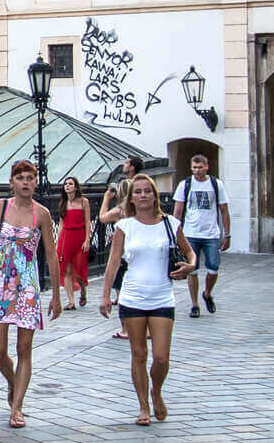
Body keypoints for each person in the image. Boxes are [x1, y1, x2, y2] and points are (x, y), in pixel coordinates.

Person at [100, 173, 195, 425]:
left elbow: (189, 252)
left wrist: (190, 266)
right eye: (138, 192)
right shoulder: (125, 226)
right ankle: (143, 406)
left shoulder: (171, 224)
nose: (143, 196)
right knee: (139, 353)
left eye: (147, 191)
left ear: (155, 195)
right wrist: (106, 295)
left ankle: (156, 390)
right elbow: (113, 262)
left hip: (162, 296)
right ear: (131, 198)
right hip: (132, 297)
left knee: (161, 357)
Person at [0, 160, 62, 429]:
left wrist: (57, 295)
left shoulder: (42, 214)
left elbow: (51, 253)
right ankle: (14, 383)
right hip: (1, 285)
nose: (26, 182)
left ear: (36, 182)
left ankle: (17, 408)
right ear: (12, 182)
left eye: (30, 178)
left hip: (27, 287)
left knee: (24, 348)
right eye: (21, 178)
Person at [172, 153, 230, 317]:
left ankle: (207, 293)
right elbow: (178, 210)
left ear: (207, 167)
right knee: (192, 269)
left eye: (200, 167)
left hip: (211, 233)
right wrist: (175, 233)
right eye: (195, 167)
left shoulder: (215, 184)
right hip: (191, 233)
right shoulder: (185, 184)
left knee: (213, 267)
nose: (197, 170)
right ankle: (194, 304)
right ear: (191, 168)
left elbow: (224, 210)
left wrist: (227, 234)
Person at [99, 155, 144, 340]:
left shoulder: (120, 211)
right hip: (139, 253)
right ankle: (145, 328)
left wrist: (105, 198)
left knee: (123, 294)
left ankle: (126, 328)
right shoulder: (140, 209)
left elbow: (102, 218)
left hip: (124, 255)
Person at [56, 175, 92, 309]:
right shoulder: (63, 203)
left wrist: (87, 239)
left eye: (70, 184)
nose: (67, 186)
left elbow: (88, 221)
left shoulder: (84, 202)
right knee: (66, 270)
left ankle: (83, 289)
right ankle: (71, 301)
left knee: (79, 268)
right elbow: (61, 224)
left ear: (76, 187)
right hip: (66, 237)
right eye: (66, 184)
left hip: (80, 236)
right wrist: (57, 242)